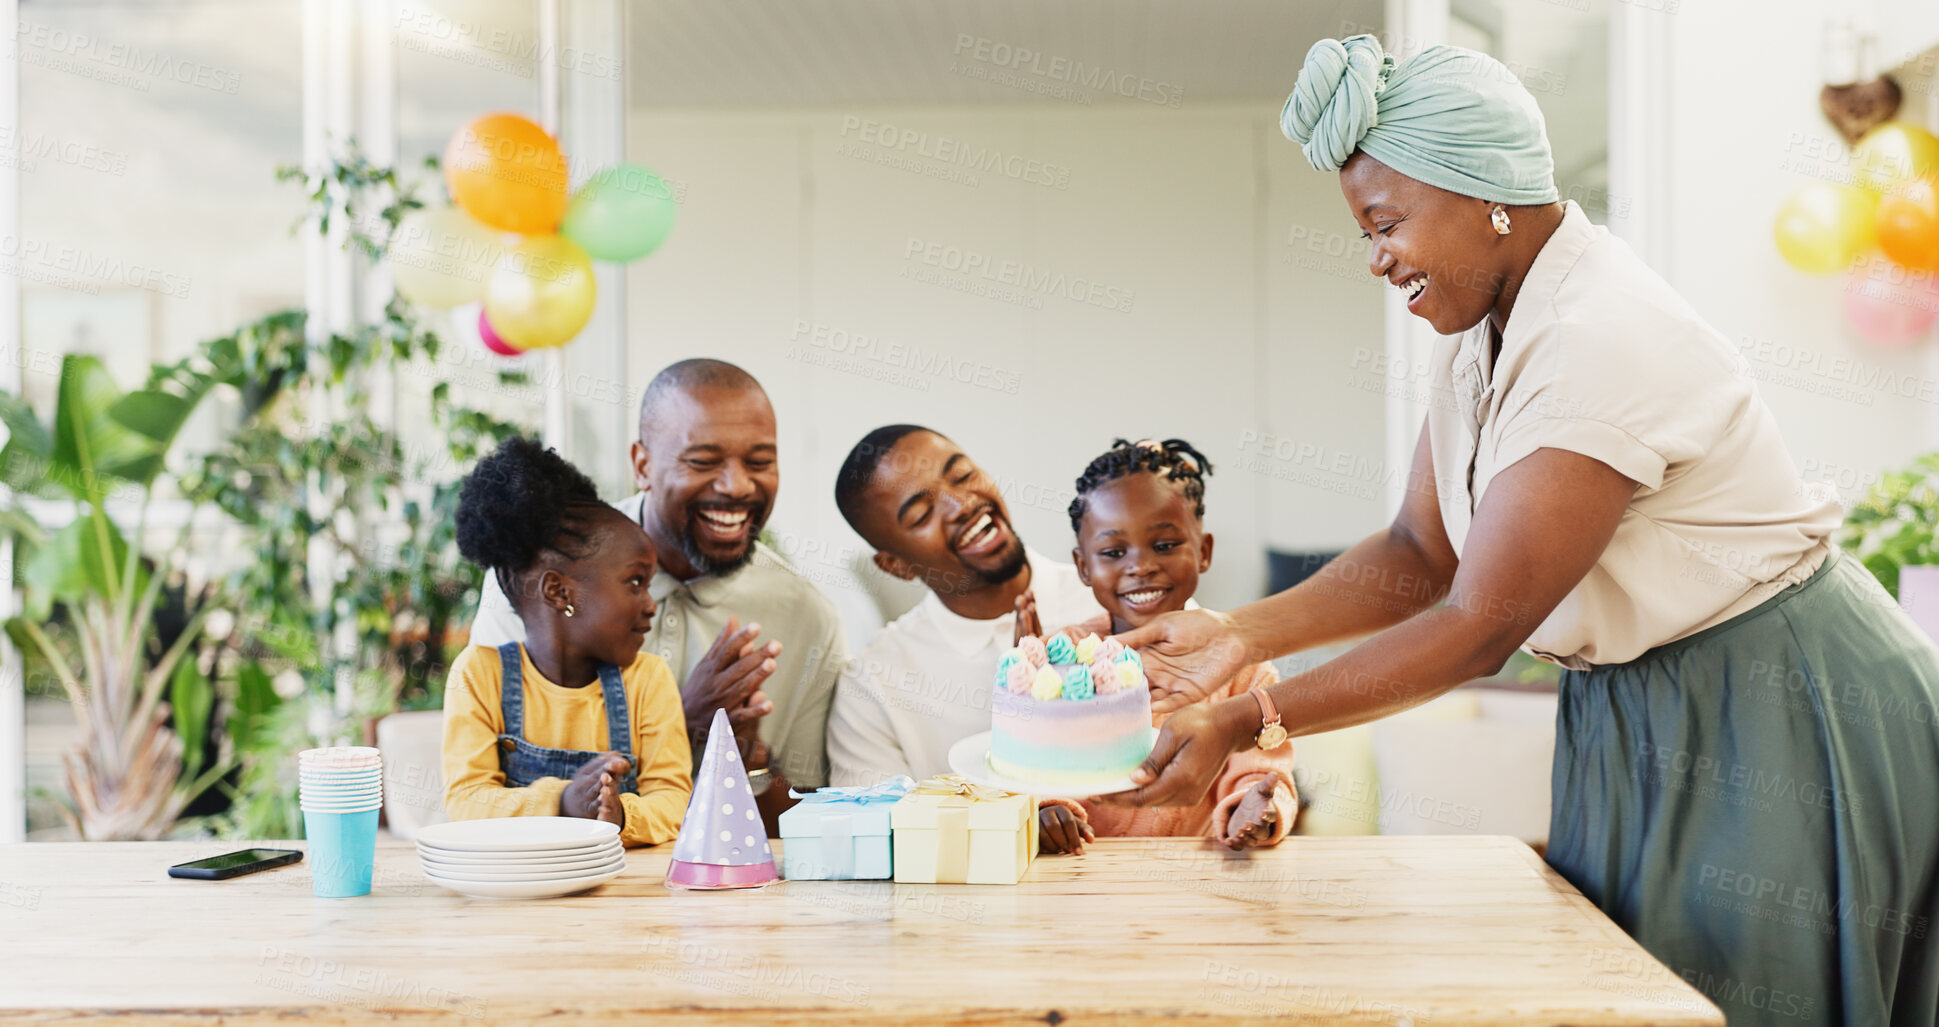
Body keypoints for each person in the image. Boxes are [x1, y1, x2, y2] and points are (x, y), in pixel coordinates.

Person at [1106, 35, 1939, 1027]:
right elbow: (1421, 554)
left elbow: (1479, 624)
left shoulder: (1597, 337)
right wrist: (1240, 636)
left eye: (1384, 223)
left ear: (1481, 193)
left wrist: (1245, 716)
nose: (1377, 258)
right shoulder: (1483, 329)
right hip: (1634, 707)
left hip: (1776, 702)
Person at [468, 360, 844, 828]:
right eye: (703, 462)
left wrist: (749, 764)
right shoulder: (540, 574)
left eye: (760, 462)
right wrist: (677, 724)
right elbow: (486, 791)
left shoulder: (806, 616)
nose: (738, 485)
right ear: (642, 465)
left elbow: (807, 823)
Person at [1022, 438, 1298, 856]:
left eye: (1165, 545)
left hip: (1201, 878)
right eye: (1114, 551)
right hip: (1081, 877)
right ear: (1083, 566)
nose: (1141, 566)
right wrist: (1045, 810)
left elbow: (1260, 770)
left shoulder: (1243, 666)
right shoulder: (1057, 660)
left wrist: (1255, 806)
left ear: (1203, 552)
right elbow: (1031, 764)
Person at [441, 437, 691, 847]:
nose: (651, 605)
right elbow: (467, 802)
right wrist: (562, 802)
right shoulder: (479, 675)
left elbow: (674, 800)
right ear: (560, 593)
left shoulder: (648, 681)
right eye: (635, 582)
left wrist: (623, 812)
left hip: (624, 897)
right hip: (515, 896)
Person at [825, 425, 1104, 786]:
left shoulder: (1114, 599)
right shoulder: (872, 685)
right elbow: (880, 835)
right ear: (897, 565)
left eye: (963, 476)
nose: (963, 504)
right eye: (922, 514)